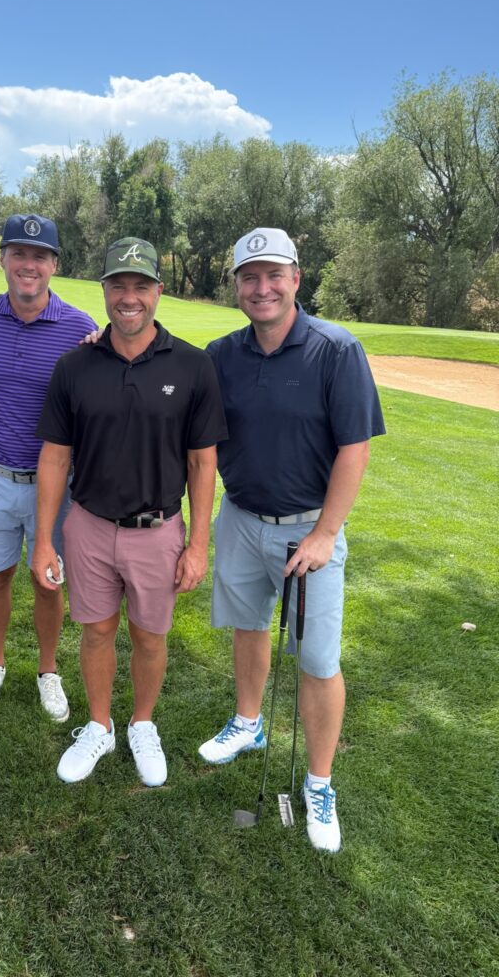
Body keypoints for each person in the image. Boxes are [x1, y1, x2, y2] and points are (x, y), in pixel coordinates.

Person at [198, 226, 385, 852]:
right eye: (249, 277)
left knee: (317, 659)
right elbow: (168, 381)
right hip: (240, 517)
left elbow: (354, 449)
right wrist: (100, 340)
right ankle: (248, 722)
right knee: (248, 626)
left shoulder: (337, 350)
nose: (262, 288)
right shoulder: (222, 354)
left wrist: (326, 533)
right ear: (237, 286)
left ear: (296, 279)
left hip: (309, 530)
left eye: (274, 275)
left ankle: (319, 783)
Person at [31, 236, 228, 787]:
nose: (129, 297)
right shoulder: (76, 365)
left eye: (141, 286)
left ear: (158, 291)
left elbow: (202, 462)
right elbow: (55, 456)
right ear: (104, 290)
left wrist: (198, 544)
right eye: (118, 285)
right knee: (96, 632)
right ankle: (99, 725)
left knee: (149, 636)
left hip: (158, 530)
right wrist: (44, 539)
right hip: (89, 526)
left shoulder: (193, 365)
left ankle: (142, 723)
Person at [0, 215, 97, 722]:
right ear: (2, 258)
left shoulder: (80, 328)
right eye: (18, 253)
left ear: (54, 264)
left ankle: (47, 670)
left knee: (48, 581)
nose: (28, 264)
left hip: (55, 483)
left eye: (40, 256)